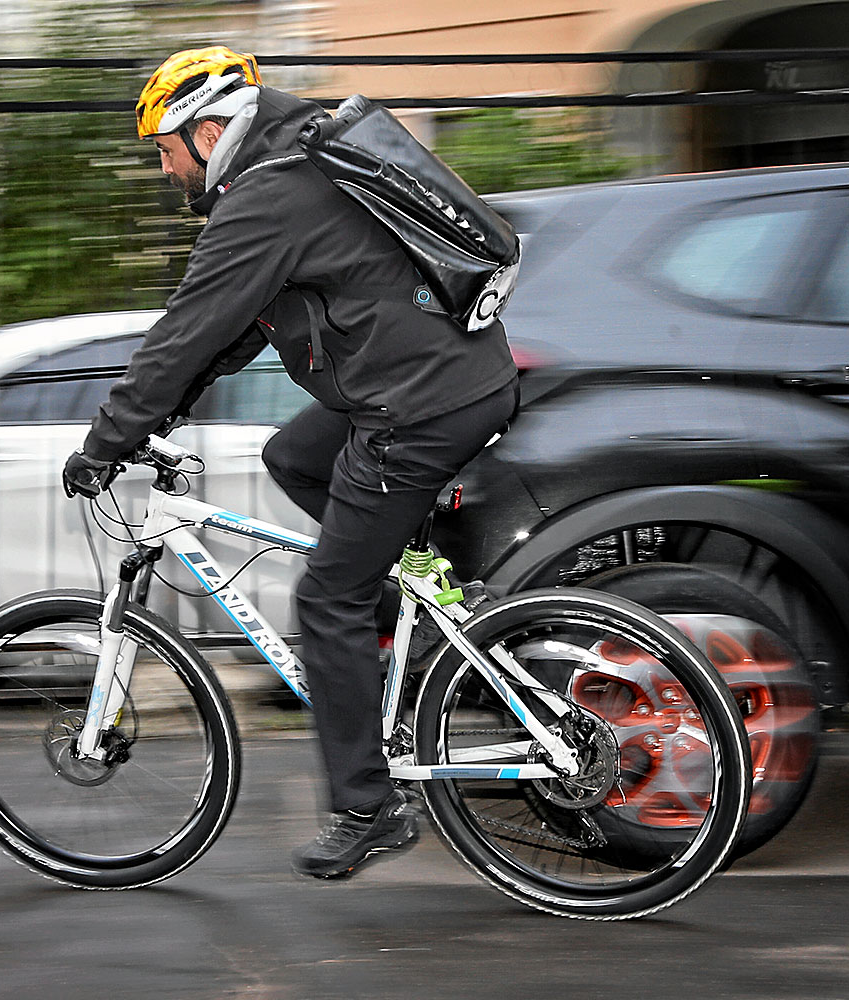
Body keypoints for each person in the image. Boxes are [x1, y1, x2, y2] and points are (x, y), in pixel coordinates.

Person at [62, 46, 519, 879]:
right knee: (292, 455)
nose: (167, 172)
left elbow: (186, 328)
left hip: (417, 406)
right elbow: (232, 332)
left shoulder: (266, 196)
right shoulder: (295, 161)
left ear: (207, 132)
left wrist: (105, 442)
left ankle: (366, 808)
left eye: (165, 152)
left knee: (326, 599)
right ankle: (435, 595)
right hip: (445, 379)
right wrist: (157, 413)